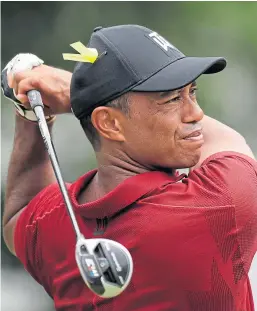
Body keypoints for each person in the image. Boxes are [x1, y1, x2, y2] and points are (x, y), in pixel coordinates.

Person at [2, 24, 257, 311]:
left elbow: (19, 215)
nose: (195, 113)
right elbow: (228, 141)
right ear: (109, 123)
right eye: (173, 99)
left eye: (192, 92)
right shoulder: (215, 207)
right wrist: (69, 88)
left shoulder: (51, 225)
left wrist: (30, 110)